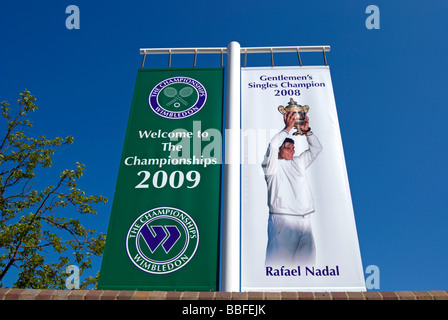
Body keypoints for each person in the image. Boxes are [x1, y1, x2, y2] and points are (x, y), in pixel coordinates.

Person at [262, 111, 322, 266]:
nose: (292, 151)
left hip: (305, 221)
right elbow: (273, 145)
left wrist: (307, 131)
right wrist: (287, 128)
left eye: (293, 148)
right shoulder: (270, 166)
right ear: (279, 151)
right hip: (283, 221)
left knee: (306, 270)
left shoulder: (299, 162)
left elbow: (316, 148)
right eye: (288, 148)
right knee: (277, 268)